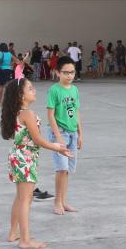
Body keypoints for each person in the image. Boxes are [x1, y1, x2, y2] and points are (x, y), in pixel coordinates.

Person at [1, 78, 72, 248]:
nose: (35, 91)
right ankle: (25, 240)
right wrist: (57, 147)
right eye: (30, 88)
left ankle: (13, 233)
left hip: (17, 156)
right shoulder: (28, 114)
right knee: (26, 198)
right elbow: (38, 139)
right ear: (21, 95)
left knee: (20, 197)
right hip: (25, 158)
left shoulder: (17, 112)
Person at [47, 56, 83, 215]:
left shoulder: (75, 90)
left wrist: (80, 133)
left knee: (67, 170)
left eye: (72, 72)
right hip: (59, 133)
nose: (69, 76)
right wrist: (58, 138)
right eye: (66, 73)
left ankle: (63, 201)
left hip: (73, 133)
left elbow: (76, 112)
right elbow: (50, 115)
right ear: (58, 73)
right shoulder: (54, 90)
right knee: (61, 168)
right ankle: (57, 202)